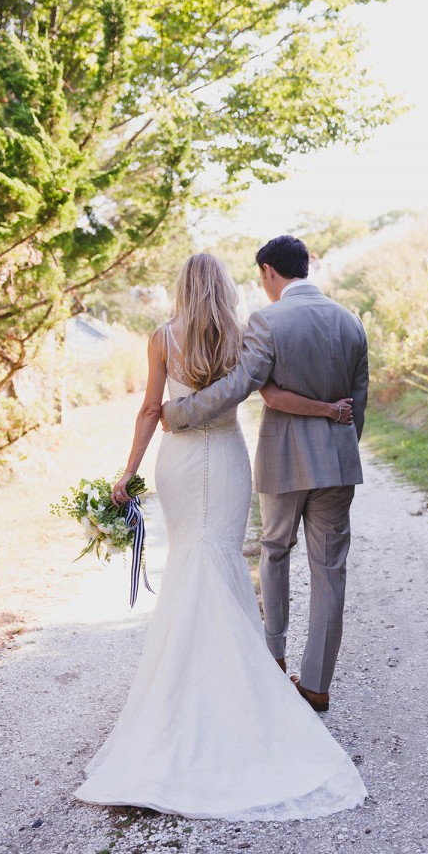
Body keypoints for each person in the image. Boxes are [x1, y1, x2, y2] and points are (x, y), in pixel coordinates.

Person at [74, 252, 367, 820]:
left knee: (192, 560)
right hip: (229, 460)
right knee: (225, 560)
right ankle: (260, 684)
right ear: (227, 287)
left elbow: (150, 409)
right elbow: (268, 393)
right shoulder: (243, 331)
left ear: (182, 287)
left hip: (180, 463)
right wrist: (335, 414)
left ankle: (184, 693)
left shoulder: (163, 337)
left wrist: (128, 470)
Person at [163, 235, 368, 714]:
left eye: (262, 276)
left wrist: (182, 413)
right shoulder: (350, 322)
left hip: (284, 462)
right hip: (337, 465)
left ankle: (273, 659)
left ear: (269, 272)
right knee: (330, 570)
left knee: (275, 553)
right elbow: (358, 403)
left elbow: (239, 385)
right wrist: (340, 448)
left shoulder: (268, 321)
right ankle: (317, 684)